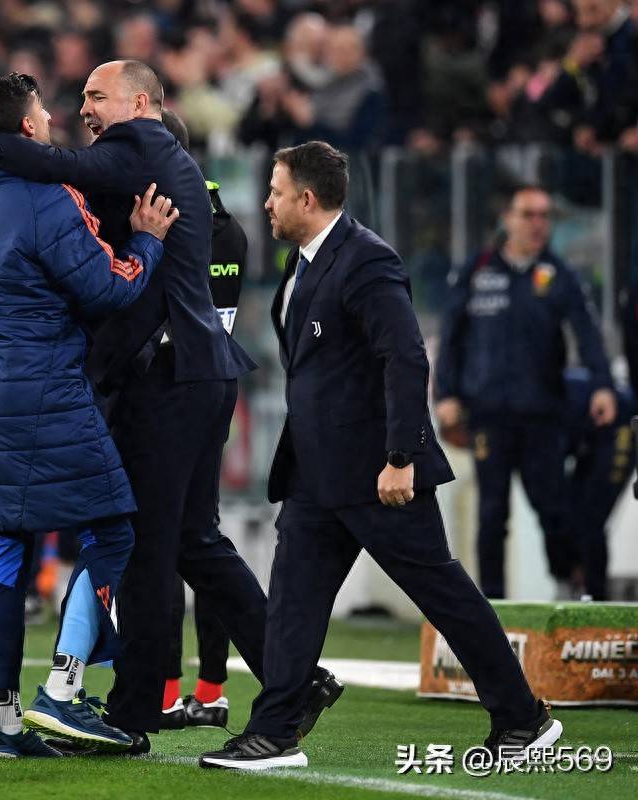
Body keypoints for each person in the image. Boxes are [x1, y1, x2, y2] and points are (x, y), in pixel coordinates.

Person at [0, 61, 342, 753]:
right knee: (189, 542)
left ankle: (124, 709)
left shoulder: (134, 149)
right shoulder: (147, 170)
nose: (83, 110)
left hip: (167, 378)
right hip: (190, 373)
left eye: (97, 96)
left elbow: (59, 173)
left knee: (143, 543)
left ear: (142, 103)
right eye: (78, 99)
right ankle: (293, 677)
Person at [200, 141, 562, 771]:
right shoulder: (303, 262)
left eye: (276, 192)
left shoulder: (366, 259)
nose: (267, 203)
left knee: (443, 594)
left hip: (377, 473)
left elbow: (406, 356)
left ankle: (523, 718)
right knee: (292, 603)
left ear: (306, 198)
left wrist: (402, 455)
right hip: (315, 472)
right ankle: (274, 732)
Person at [0, 72, 178, 759]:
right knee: (113, 528)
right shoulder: (47, 197)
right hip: (43, 385)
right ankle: (64, 686)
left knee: (8, 548)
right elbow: (107, 288)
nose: (53, 120)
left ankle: (4, 724)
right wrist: (147, 242)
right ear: (27, 129)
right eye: (43, 113)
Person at [434, 185, 616, 599]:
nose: (538, 224)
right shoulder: (476, 270)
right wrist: (445, 395)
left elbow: (587, 334)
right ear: (507, 219)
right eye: (528, 215)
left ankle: (567, 586)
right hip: (487, 414)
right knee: (491, 513)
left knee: (553, 510)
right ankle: (492, 606)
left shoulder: (559, 274)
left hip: (542, 415)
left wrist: (603, 385)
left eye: (544, 216)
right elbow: (451, 337)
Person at [158, 109, 247, 731]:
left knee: (166, 545)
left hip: (168, 391)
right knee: (201, 538)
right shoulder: (227, 226)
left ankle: (166, 692)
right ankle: (210, 689)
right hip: (213, 385)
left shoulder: (171, 220)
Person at [562, 368, 635, 600]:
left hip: (620, 426)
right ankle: (577, 579)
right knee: (569, 510)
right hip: (592, 439)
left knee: (591, 518)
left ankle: (595, 592)